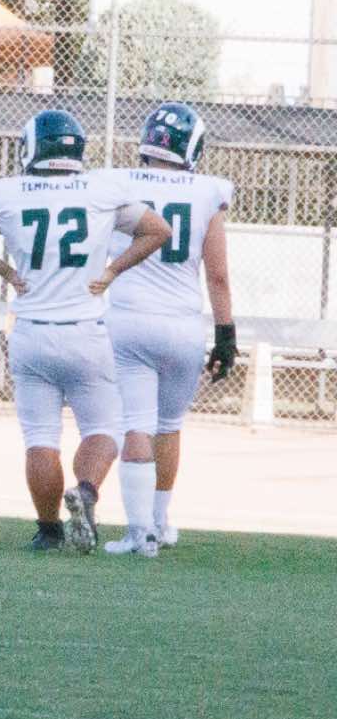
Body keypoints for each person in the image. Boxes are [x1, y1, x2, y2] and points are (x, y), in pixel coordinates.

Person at [0, 109, 170, 552]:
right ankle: (85, 491)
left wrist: (7, 272)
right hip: (85, 330)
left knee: (40, 437)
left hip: (31, 332)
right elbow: (157, 230)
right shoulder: (102, 189)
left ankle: (48, 531)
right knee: (104, 429)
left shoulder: (5, 193)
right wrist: (113, 269)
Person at [99, 102, 236, 555]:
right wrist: (226, 334)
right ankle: (160, 521)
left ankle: (139, 533)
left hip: (129, 318)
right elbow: (217, 275)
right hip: (182, 324)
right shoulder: (208, 191)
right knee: (170, 426)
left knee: (136, 425)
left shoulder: (118, 183)